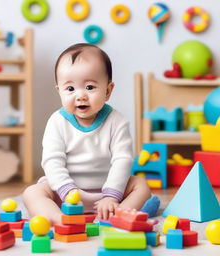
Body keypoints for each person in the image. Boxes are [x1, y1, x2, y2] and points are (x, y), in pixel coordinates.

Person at [23, 43, 159, 224]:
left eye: (89, 87)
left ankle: (119, 214)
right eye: (70, 89)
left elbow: (122, 159)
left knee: (141, 186)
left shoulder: (117, 121)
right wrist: (66, 190)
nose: (80, 96)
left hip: (108, 191)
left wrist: (111, 195)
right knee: (33, 193)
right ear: (59, 91)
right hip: (66, 193)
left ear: (108, 91)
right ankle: (58, 219)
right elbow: (52, 161)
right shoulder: (57, 122)